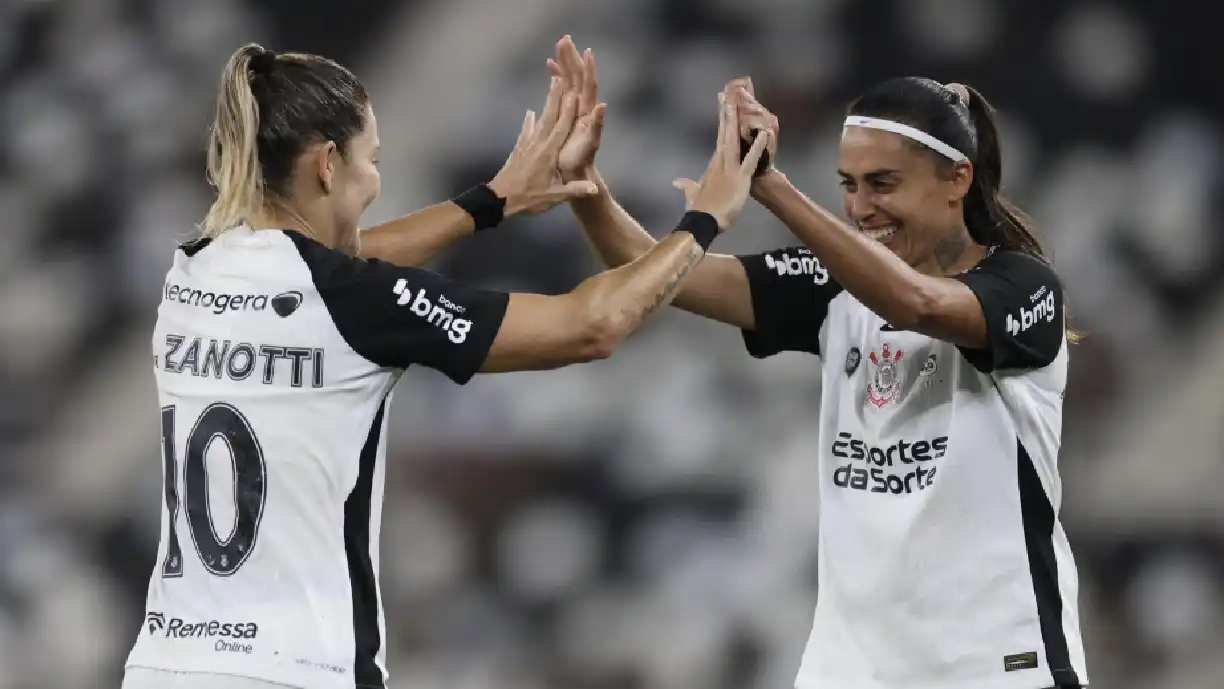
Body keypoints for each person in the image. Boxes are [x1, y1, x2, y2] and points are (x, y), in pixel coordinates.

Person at [122, 42, 770, 689]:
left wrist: (493, 202)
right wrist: (706, 216)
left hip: (165, 662)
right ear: (326, 165)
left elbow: (337, 268)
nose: (375, 182)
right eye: (370, 162)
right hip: (293, 669)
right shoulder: (350, 302)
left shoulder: (195, 268)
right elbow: (590, 325)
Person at [550, 36, 1086, 689]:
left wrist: (771, 187)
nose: (861, 207)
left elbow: (917, 302)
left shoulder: (1023, 288)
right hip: (853, 668)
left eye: (883, 183)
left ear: (957, 180)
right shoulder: (835, 291)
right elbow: (670, 278)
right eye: (850, 185)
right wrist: (584, 187)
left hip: (993, 664)